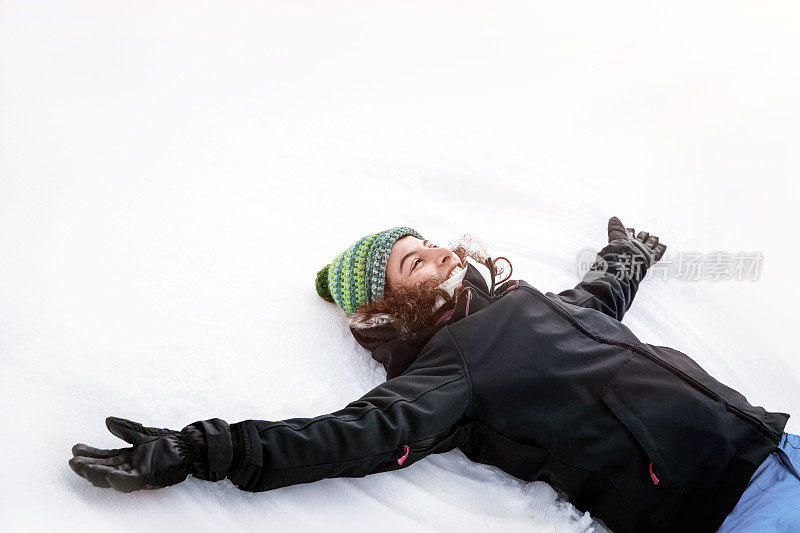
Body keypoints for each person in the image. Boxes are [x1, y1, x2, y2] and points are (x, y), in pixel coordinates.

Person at [69, 218, 799, 532]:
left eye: (431, 245)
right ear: (389, 305)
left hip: (779, 445)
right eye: (414, 262)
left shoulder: (530, 306)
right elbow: (350, 435)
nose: (443, 257)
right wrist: (204, 448)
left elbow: (598, 302)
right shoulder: (452, 369)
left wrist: (626, 255)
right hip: (728, 507)